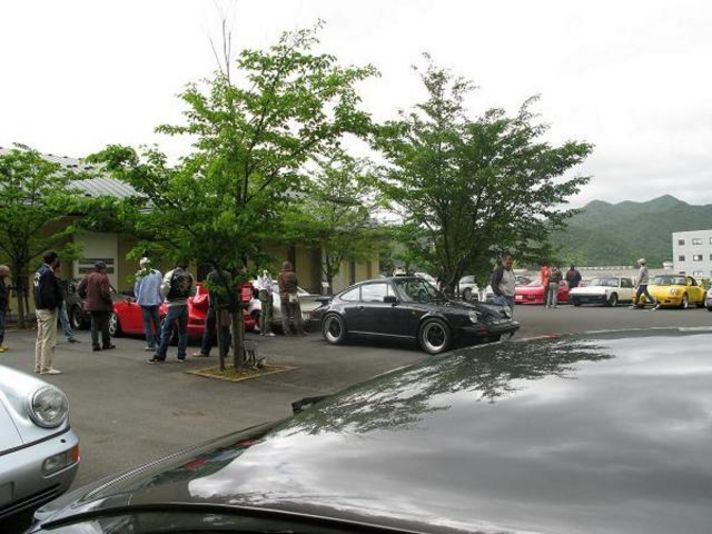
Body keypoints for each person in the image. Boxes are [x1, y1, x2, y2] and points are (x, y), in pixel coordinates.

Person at [148, 261, 195, 364]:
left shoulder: (170, 274)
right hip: (184, 305)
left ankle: (160, 354)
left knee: (166, 331)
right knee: (183, 332)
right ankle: (181, 355)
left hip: (173, 305)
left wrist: (165, 296)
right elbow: (193, 292)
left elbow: (164, 289)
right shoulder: (190, 275)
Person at [33, 251, 63, 374]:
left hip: (39, 308)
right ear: (55, 260)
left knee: (40, 338)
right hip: (47, 309)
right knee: (48, 339)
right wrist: (53, 305)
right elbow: (48, 292)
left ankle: (39, 365)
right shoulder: (48, 273)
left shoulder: (39, 271)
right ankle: (46, 367)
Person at [194, 267, 232, 357]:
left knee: (209, 329)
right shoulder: (228, 275)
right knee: (225, 329)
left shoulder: (211, 275)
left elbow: (210, 291)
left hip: (214, 305)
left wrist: (211, 303)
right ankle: (224, 351)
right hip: (225, 305)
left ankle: (205, 350)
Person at [78, 261, 115, 352]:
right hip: (103, 305)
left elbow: (80, 289)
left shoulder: (88, 276)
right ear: (102, 269)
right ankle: (106, 343)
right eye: (105, 269)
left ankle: (95, 344)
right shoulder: (103, 278)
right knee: (105, 324)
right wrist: (109, 300)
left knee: (94, 325)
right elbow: (105, 293)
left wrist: (86, 297)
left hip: (91, 305)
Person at [134, 258, 163, 352]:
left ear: (141, 265)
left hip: (144, 301)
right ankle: (161, 343)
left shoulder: (139, 274)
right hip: (155, 301)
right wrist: (162, 299)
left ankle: (151, 345)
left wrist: (137, 298)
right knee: (157, 323)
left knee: (147, 324)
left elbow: (137, 288)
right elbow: (161, 287)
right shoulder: (157, 273)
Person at [53, 264, 80, 344]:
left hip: (60, 300)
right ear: (57, 268)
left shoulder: (58, 278)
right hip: (55, 301)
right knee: (55, 320)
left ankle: (69, 336)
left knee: (64, 319)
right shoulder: (52, 278)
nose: (61, 268)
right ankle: (53, 338)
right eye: (60, 267)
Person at [278, 261, 305, 335]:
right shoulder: (293, 275)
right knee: (297, 314)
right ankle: (300, 331)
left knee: (285, 315)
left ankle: (287, 331)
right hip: (292, 296)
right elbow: (297, 283)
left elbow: (280, 286)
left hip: (283, 296)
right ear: (289, 267)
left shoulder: (280, 276)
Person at [255, 269, 276, 337]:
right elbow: (267, 285)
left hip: (261, 292)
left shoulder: (260, 272)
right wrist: (270, 292)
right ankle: (267, 331)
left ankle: (262, 331)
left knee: (263, 313)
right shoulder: (266, 272)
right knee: (268, 313)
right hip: (266, 292)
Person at [0, 265, 10, 353]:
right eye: (7, 272)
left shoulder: (2, 281)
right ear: (1, 272)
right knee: (0, 326)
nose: (8, 274)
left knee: (2, 326)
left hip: (2, 307)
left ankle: (1, 344)